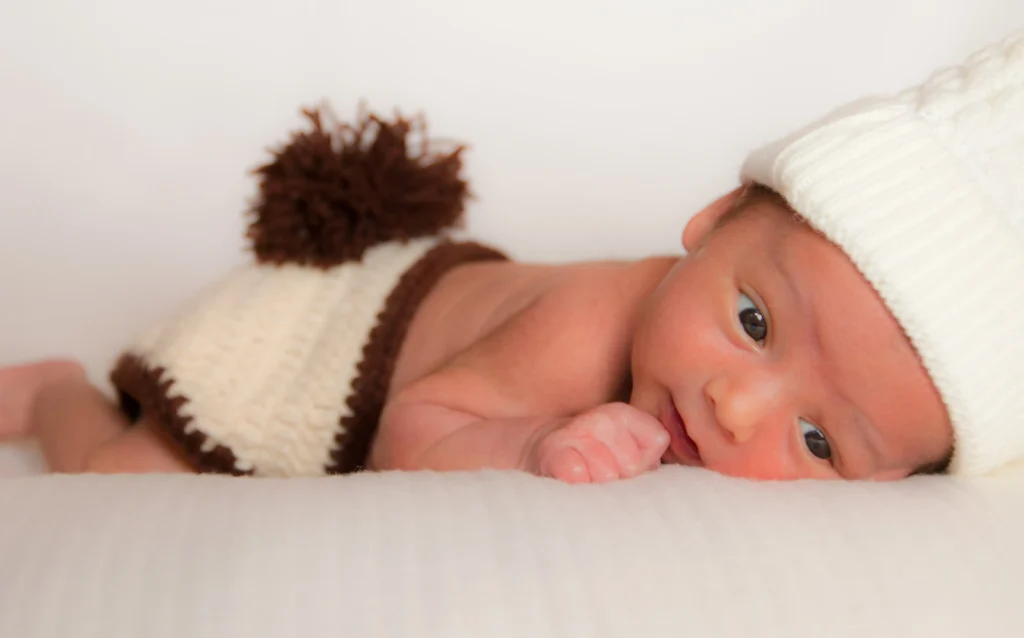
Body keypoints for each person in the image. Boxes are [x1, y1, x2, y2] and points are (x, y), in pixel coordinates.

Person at [2, 31, 1021, 482]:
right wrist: (533, 444)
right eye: (753, 322)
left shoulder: (697, 378)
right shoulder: (586, 331)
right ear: (711, 219)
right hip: (314, 344)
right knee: (126, 475)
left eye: (819, 441)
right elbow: (413, 428)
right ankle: (55, 392)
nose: (736, 409)